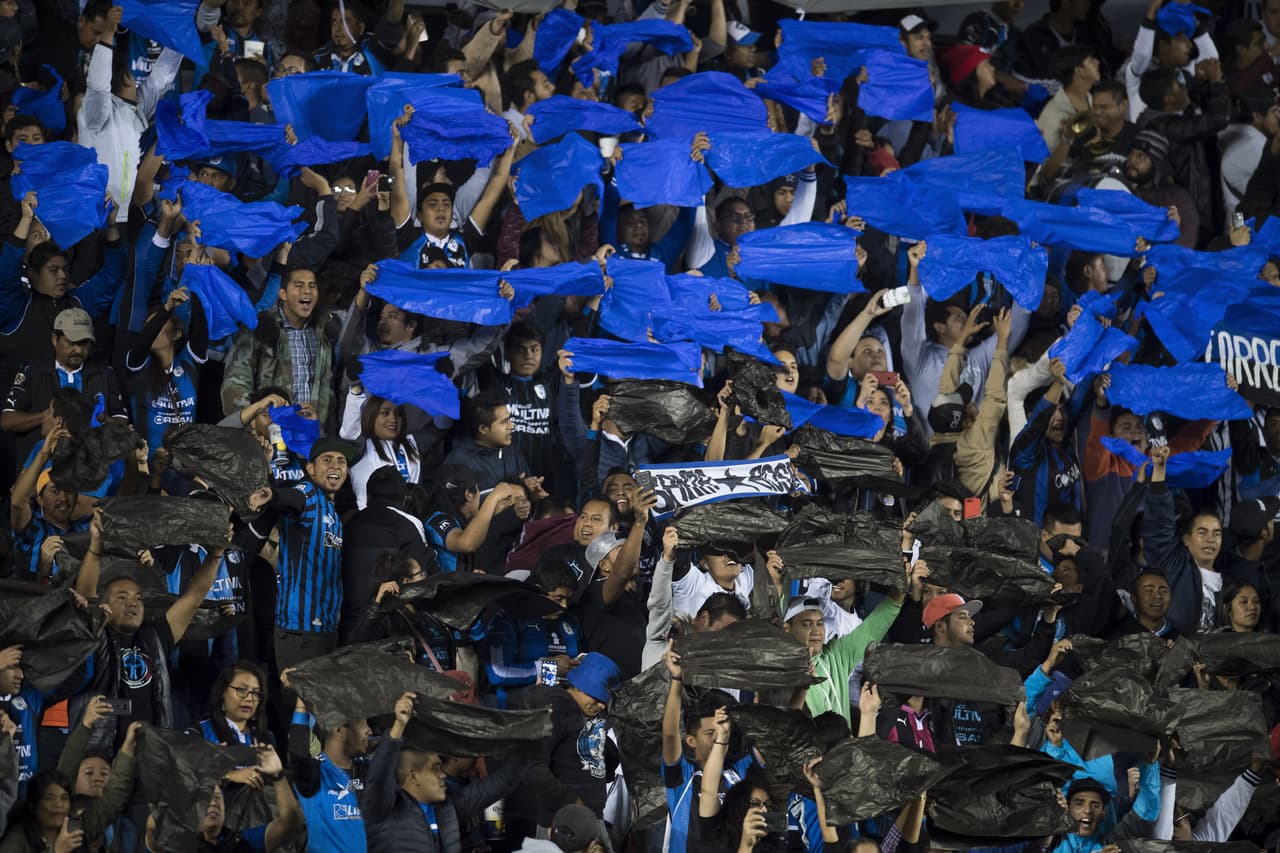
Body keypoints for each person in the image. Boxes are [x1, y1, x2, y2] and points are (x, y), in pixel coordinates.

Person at [247, 437, 356, 684]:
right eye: (327, 460)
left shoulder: (332, 513)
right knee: (302, 708)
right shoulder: (309, 494)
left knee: (321, 711)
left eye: (341, 462)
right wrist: (271, 494)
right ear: (310, 469)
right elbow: (292, 498)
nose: (335, 466)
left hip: (325, 629)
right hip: (301, 630)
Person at [363, 691, 522, 853]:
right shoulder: (384, 811)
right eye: (435, 769)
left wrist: (528, 749)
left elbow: (497, 786)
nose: (443, 775)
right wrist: (399, 726)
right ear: (414, 775)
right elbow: (379, 777)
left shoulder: (448, 809)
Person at [522, 653, 621, 825]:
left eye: (606, 701)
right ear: (580, 687)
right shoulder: (556, 708)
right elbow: (531, 768)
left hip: (593, 818)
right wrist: (572, 802)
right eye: (598, 699)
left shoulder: (591, 711)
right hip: (562, 824)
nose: (602, 706)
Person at [783, 585, 903, 723]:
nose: (816, 631)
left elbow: (874, 626)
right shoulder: (776, 666)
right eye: (806, 624)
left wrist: (901, 587)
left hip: (845, 743)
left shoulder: (837, 655)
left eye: (820, 623)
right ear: (787, 628)